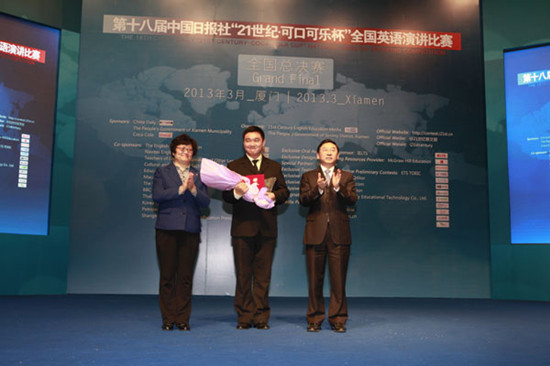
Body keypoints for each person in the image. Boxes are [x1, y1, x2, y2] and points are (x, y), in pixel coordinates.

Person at [223, 125, 289, 330]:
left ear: (263, 143)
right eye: (248, 140)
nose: (252, 143)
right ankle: (244, 317)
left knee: (262, 276)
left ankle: (260, 317)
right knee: (243, 275)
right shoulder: (234, 165)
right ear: (243, 143)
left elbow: (284, 191)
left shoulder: (274, 167)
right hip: (243, 228)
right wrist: (236, 192)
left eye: (256, 140)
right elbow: (226, 196)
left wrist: (274, 196)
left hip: (267, 228)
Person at [152, 134, 210, 331]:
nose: (186, 152)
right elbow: (157, 196)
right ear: (173, 152)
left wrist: (193, 189)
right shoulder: (162, 172)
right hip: (167, 229)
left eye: (190, 150)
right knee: (168, 276)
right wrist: (181, 188)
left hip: (190, 229)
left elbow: (205, 202)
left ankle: (183, 318)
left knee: (185, 277)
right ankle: (168, 318)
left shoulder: (199, 175)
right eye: (182, 149)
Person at [299, 139, 358, 333]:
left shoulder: (346, 176)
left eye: (333, 150)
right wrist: (320, 188)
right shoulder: (308, 176)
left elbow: (353, 200)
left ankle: (338, 319)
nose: (329, 152)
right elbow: (303, 201)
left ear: (338, 156)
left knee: (338, 280)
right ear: (318, 155)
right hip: (315, 234)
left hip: (339, 235)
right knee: (315, 279)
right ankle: (314, 319)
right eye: (325, 150)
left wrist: (338, 188)